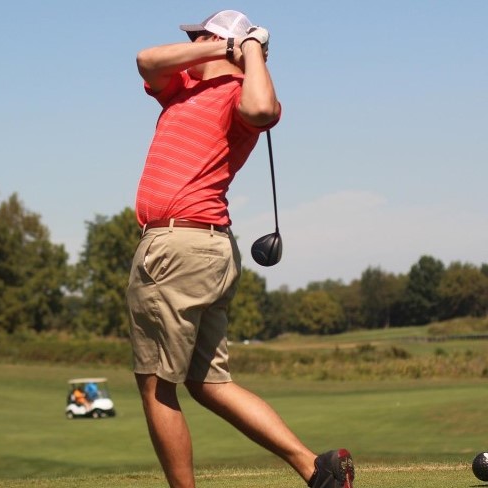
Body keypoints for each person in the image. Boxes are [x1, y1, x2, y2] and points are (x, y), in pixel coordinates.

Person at [126, 10, 355, 488]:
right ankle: (316, 467)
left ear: (223, 43)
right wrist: (224, 47)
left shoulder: (241, 93)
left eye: (200, 38)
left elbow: (261, 112)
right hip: (204, 250)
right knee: (208, 383)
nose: (191, 48)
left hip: (177, 246)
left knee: (155, 383)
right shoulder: (182, 87)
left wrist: (249, 51)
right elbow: (146, 60)